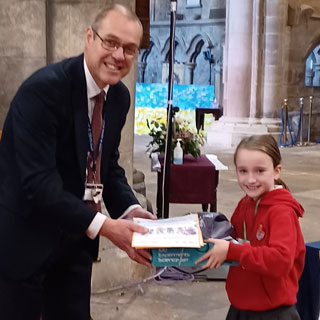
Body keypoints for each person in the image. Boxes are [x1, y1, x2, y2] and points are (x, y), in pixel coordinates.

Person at [0, 4, 155, 319]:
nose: (118, 55)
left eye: (129, 48)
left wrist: (130, 209)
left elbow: (106, 166)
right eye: (110, 42)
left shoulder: (118, 98)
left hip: (74, 241)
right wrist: (106, 227)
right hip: (26, 239)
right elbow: (38, 185)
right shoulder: (44, 90)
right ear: (89, 37)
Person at [196, 134, 305, 320]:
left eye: (260, 171)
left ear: (276, 171)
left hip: (273, 312)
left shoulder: (282, 212)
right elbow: (231, 238)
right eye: (243, 171)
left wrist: (233, 251)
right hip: (241, 306)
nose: (250, 179)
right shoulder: (244, 204)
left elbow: (280, 260)